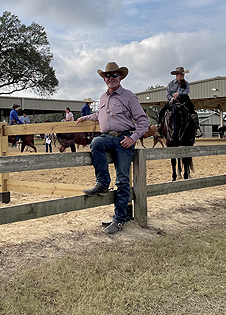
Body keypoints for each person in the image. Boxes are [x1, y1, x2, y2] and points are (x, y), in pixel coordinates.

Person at [76, 62, 148, 234]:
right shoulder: (103, 97)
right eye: (107, 76)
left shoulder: (128, 96)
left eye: (114, 75)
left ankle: (119, 219)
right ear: (104, 79)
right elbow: (100, 115)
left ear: (120, 77)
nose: (111, 78)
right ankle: (102, 183)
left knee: (122, 180)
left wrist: (132, 138)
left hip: (124, 139)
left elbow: (143, 120)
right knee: (96, 143)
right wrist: (86, 118)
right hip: (108, 137)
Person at [158, 67, 201, 136]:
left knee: (192, 109)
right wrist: (172, 99)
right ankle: (159, 128)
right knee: (162, 112)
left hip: (183, 100)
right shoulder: (171, 84)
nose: (182, 75)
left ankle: (196, 126)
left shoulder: (186, 83)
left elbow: (186, 92)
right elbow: (167, 94)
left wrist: (179, 93)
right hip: (173, 101)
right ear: (176, 75)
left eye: (183, 74)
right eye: (181, 74)